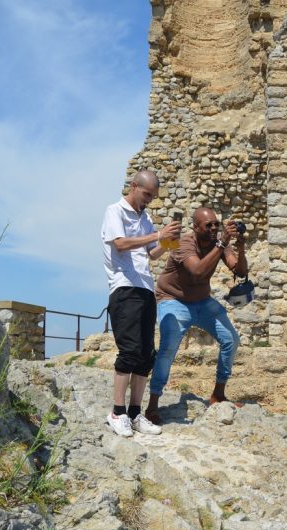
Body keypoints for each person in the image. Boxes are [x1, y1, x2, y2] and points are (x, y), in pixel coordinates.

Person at [146, 207, 247, 422]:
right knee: (168, 347)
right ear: (195, 227)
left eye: (216, 225)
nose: (213, 229)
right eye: (208, 225)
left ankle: (218, 394)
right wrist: (221, 244)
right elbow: (198, 271)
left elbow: (240, 271)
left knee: (230, 339)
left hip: (202, 301)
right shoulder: (183, 243)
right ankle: (153, 404)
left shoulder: (218, 244)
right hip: (172, 299)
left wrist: (241, 247)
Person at [101, 170, 180, 437]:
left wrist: (168, 242)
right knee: (130, 351)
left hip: (145, 288)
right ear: (134, 187)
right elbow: (121, 244)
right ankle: (117, 412)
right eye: (147, 194)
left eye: (153, 197)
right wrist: (157, 235)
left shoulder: (144, 218)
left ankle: (135, 414)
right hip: (124, 288)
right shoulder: (115, 211)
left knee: (146, 354)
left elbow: (151, 254)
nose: (149, 200)